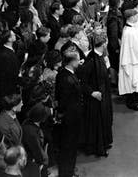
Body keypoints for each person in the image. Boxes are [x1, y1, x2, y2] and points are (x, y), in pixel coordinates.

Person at [77, 30, 113, 157]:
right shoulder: (91, 61)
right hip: (95, 98)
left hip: (103, 94)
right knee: (97, 124)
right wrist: (92, 93)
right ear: (103, 44)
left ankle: (105, 142)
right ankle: (98, 147)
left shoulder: (98, 56)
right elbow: (82, 82)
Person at [55, 48, 83, 177]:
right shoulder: (68, 79)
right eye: (77, 59)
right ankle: (67, 173)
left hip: (70, 116)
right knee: (69, 147)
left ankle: (68, 171)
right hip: (71, 118)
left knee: (69, 146)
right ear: (71, 62)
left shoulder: (63, 73)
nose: (79, 61)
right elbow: (64, 101)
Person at [118, 8, 138, 111]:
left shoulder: (131, 28)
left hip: (134, 60)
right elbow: (135, 48)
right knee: (132, 82)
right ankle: (132, 103)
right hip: (133, 60)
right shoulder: (129, 32)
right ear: (131, 18)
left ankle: (135, 100)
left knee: (135, 81)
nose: (137, 17)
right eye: (135, 15)